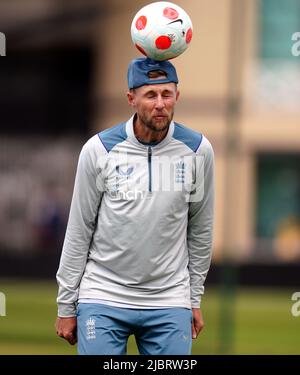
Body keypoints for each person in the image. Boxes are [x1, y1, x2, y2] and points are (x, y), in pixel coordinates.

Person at [55, 57, 214, 355]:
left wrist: (193, 299)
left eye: (167, 94)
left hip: (169, 300)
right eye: (150, 95)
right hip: (103, 294)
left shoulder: (198, 150)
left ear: (177, 96)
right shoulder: (99, 150)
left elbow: (201, 230)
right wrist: (66, 303)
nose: (160, 104)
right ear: (131, 98)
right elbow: (79, 229)